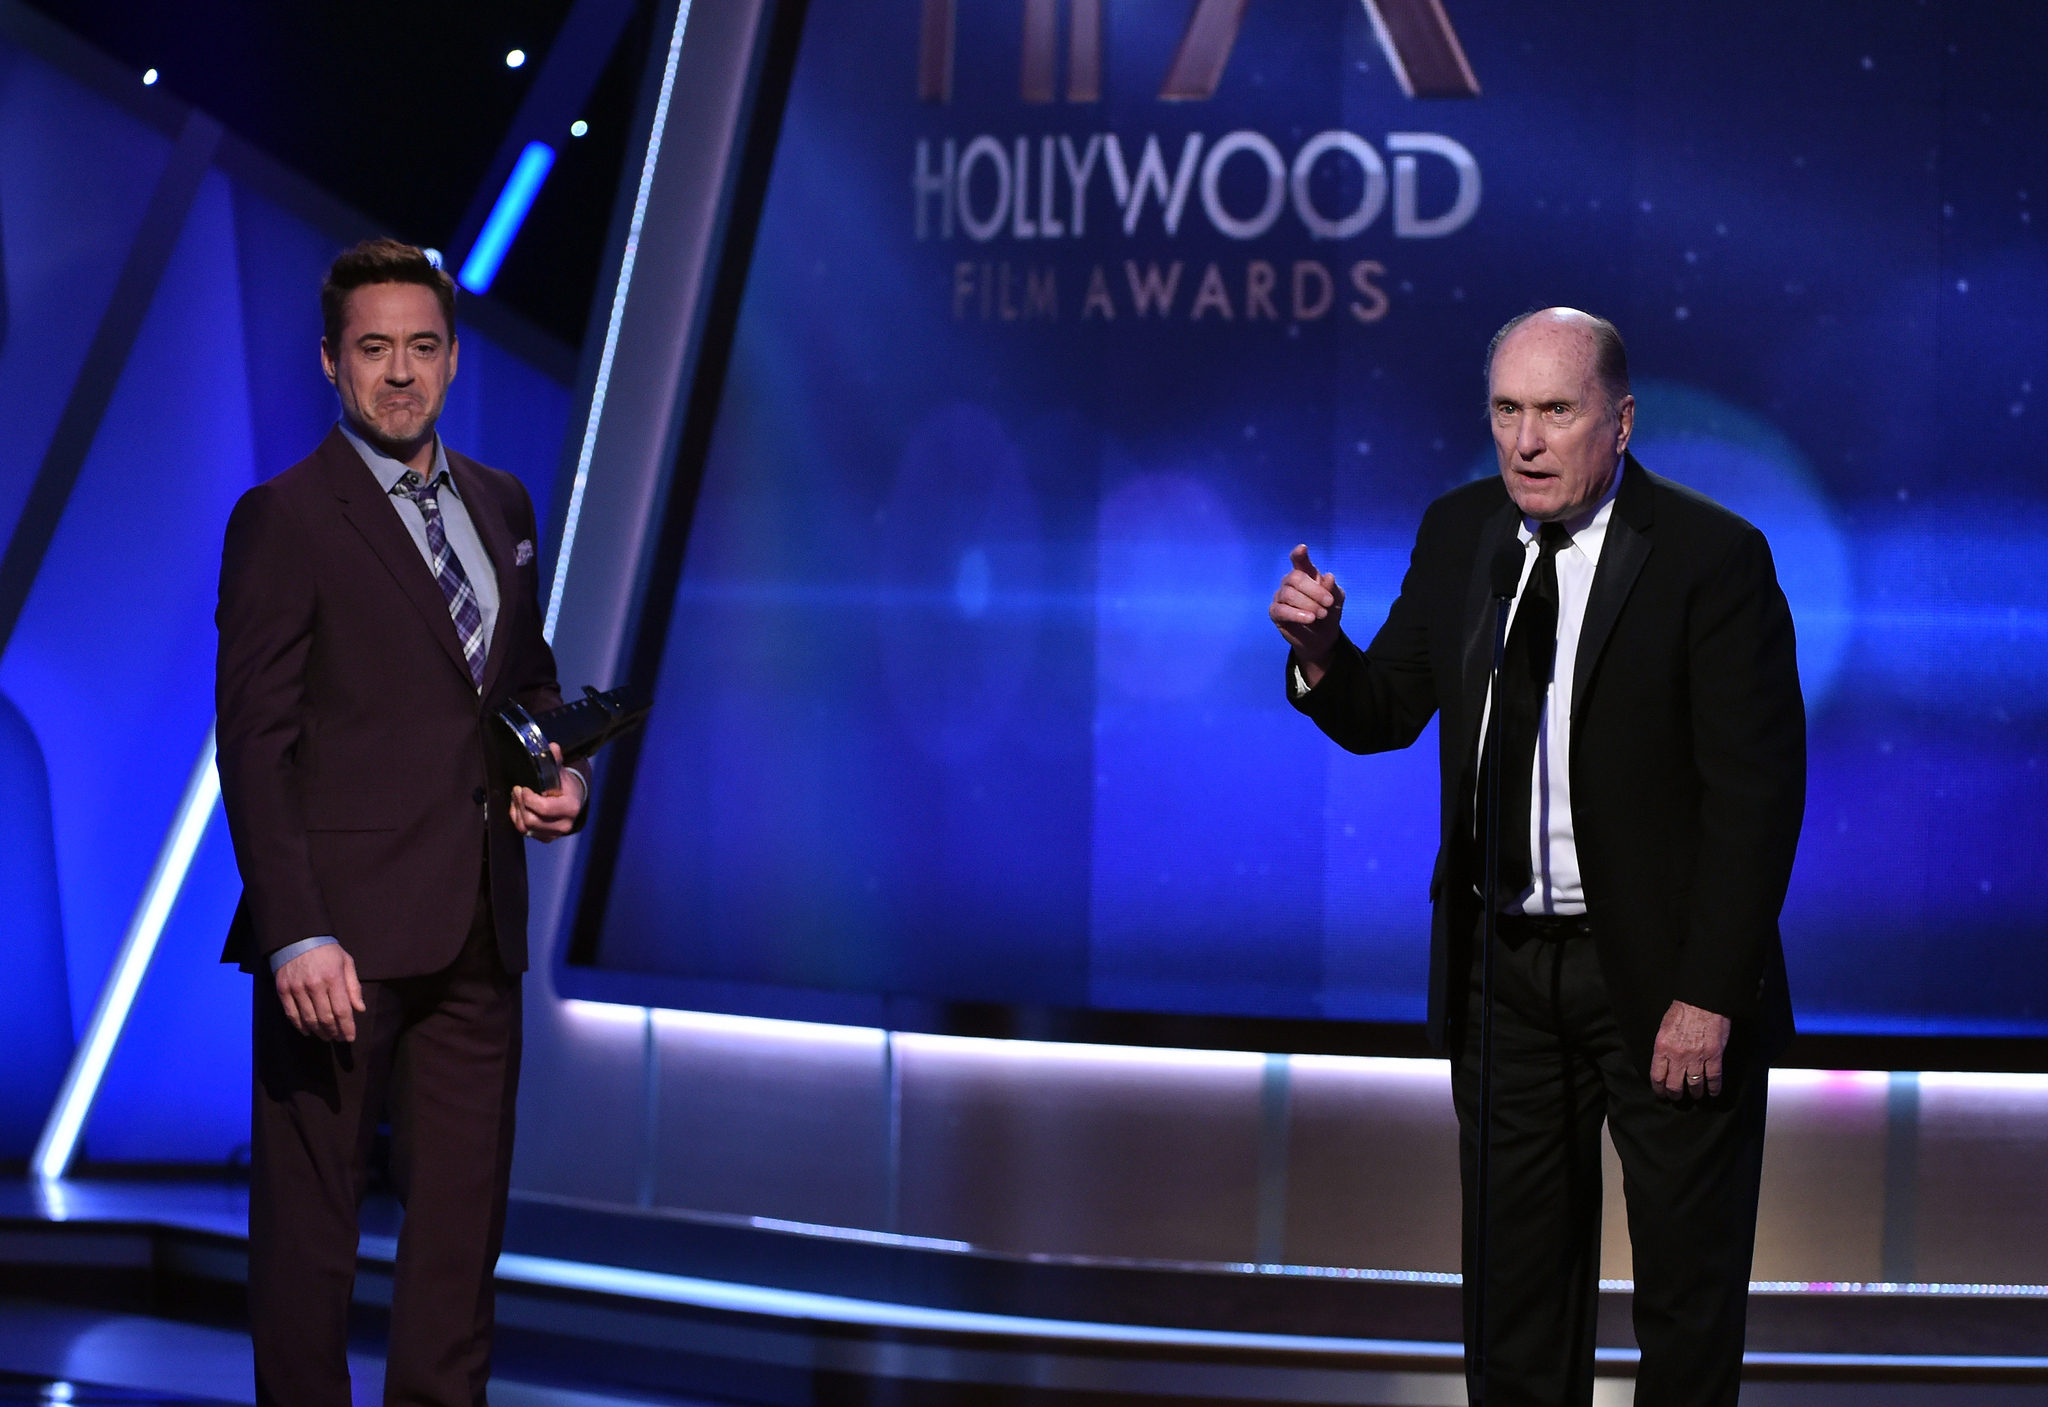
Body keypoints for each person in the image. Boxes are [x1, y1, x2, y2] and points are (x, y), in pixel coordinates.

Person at [1270, 308, 1805, 1407]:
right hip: (1501, 979)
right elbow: (1386, 711)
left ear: (1618, 420)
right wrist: (1321, 656)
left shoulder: (1712, 558)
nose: (1525, 442)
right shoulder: (1462, 530)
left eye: (1554, 412)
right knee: (1513, 1302)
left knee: (1684, 1300)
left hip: (1661, 986)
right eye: (1506, 412)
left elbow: (1756, 799)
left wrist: (1707, 995)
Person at [216, 238, 588, 1407]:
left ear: (452, 360)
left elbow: (523, 684)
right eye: (373, 349)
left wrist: (556, 771)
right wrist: (293, 933)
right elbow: (256, 743)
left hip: (477, 929)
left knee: (458, 1239)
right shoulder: (284, 518)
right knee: (311, 1238)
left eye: (420, 348)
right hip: (336, 948)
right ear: (331, 363)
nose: (399, 373)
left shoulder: (500, 502)